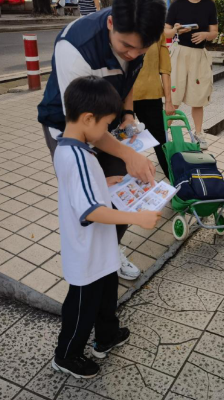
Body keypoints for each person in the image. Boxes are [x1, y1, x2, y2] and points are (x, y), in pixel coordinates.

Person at [38, 0, 166, 280]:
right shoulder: (75, 48)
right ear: (110, 23)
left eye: (142, 49)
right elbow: (86, 127)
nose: (133, 54)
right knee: (88, 199)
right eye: (126, 47)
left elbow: (129, 76)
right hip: (68, 128)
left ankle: (111, 251)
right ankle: (87, 266)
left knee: (121, 187)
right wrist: (129, 154)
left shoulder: (138, 38)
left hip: (106, 123)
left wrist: (127, 115)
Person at [51, 76, 161, 379]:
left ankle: (107, 335)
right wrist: (137, 218)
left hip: (99, 249)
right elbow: (92, 210)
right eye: (106, 125)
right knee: (82, 308)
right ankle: (66, 355)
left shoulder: (70, 147)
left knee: (105, 296)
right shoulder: (78, 158)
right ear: (88, 118)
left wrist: (107, 181)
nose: (106, 134)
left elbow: (82, 191)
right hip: (87, 254)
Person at [164, 0, 218, 150]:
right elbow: (165, 31)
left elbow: (214, 32)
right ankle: (164, 133)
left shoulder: (209, 5)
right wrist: (175, 30)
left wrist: (205, 35)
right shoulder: (177, 5)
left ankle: (199, 133)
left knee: (198, 97)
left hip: (199, 56)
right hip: (179, 54)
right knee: (174, 96)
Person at [132, 34, 174, 179]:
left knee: (161, 141)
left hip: (150, 94)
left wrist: (168, 100)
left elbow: (165, 69)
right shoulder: (122, 25)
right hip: (121, 96)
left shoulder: (158, 32)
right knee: (119, 141)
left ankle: (176, 182)